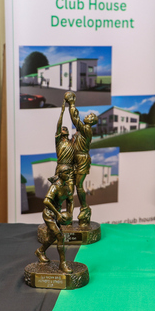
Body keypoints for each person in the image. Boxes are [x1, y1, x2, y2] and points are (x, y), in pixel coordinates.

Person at [66, 93, 98, 226]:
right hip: (75, 159)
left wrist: (71, 104)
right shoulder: (81, 131)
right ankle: (69, 213)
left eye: (90, 116)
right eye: (88, 115)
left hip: (82, 160)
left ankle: (84, 207)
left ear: (91, 121)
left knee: (79, 186)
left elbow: (75, 119)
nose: (87, 116)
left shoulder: (86, 129)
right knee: (71, 186)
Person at [35, 164, 73, 273]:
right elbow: (46, 201)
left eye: (69, 173)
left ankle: (40, 251)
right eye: (66, 173)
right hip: (49, 214)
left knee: (52, 238)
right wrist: (58, 213)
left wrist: (69, 214)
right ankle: (62, 264)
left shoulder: (66, 187)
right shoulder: (55, 187)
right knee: (60, 236)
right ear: (60, 174)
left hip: (57, 214)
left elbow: (70, 201)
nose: (69, 175)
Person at [48, 102, 75, 222]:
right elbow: (58, 126)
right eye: (62, 129)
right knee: (57, 197)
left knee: (70, 197)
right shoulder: (59, 142)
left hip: (70, 170)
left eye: (65, 128)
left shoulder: (72, 143)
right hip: (60, 169)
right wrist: (62, 112)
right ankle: (56, 218)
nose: (63, 129)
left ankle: (69, 219)